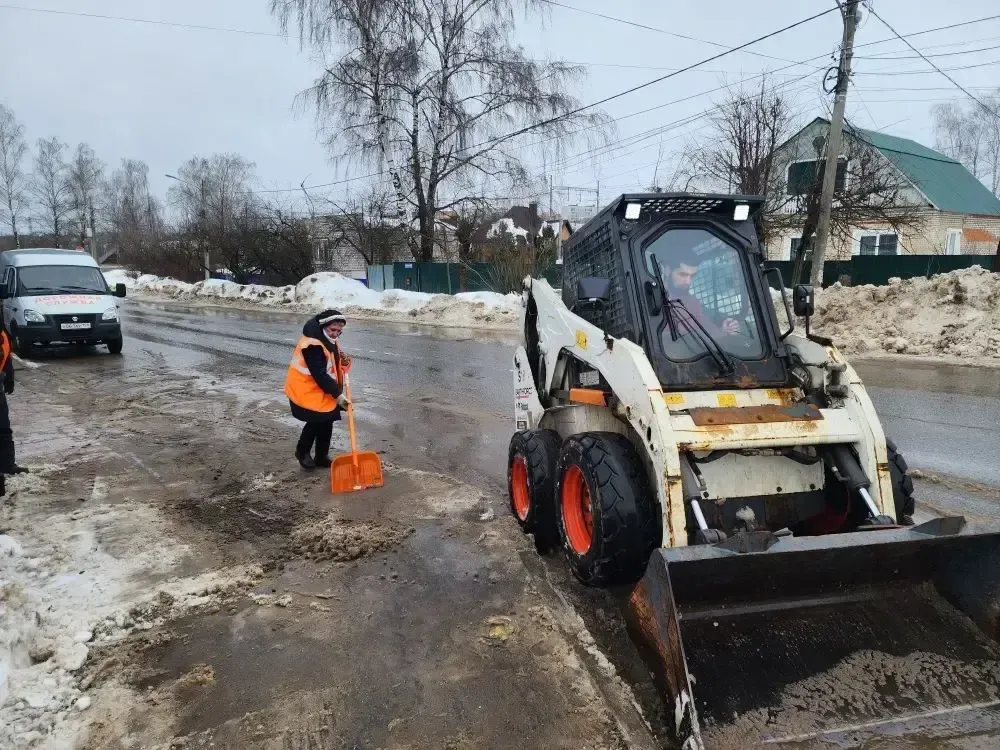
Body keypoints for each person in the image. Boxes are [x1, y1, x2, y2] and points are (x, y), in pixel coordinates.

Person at [284, 310, 352, 470]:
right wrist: (338, 394)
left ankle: (321, 456)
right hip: (306, 388)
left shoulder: (327, 338)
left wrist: (342, 358)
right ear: (323, 326)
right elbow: (319, 374)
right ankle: (302, 452)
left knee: (327, 421)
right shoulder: (312, 345)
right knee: (315, 421)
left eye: (339, 331)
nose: (335, 334)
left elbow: (332, 357)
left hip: (322, 388)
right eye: (332, 330)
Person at [657, 249, 741, 335]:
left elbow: (706, 327)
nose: (688, 282)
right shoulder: (652, 298)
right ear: (667, 271)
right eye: (683, 274)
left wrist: (723, 327)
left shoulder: (692, 303)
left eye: (692, 276)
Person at [0, 324, 28, 497]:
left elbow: (7, 357)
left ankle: (7, 465)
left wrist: (9, 377)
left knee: (4, 429)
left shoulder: (3, 335)